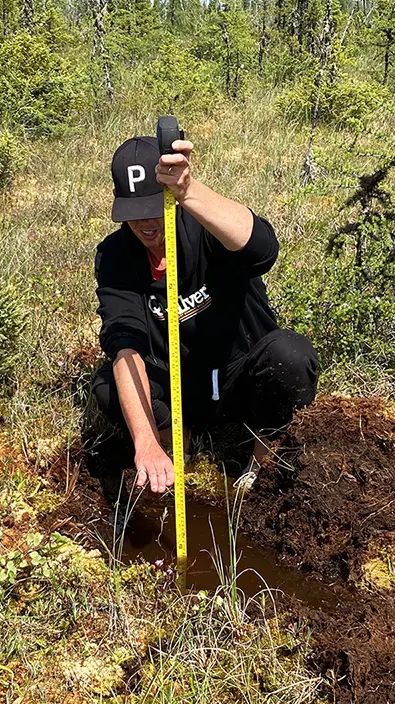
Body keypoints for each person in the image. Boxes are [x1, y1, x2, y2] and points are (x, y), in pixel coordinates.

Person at [88, 133, 319, 496]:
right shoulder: (115, 255)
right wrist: (146, 441)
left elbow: (263, 250)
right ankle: (175, 445)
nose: (146, 224)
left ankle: (261, 461)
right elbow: (124, 343)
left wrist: (189, 190)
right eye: (134, 213)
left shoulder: (210, 225)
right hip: (177, 388)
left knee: (290, 356)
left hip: (239, 379)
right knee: (109, 385)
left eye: (154, 207)